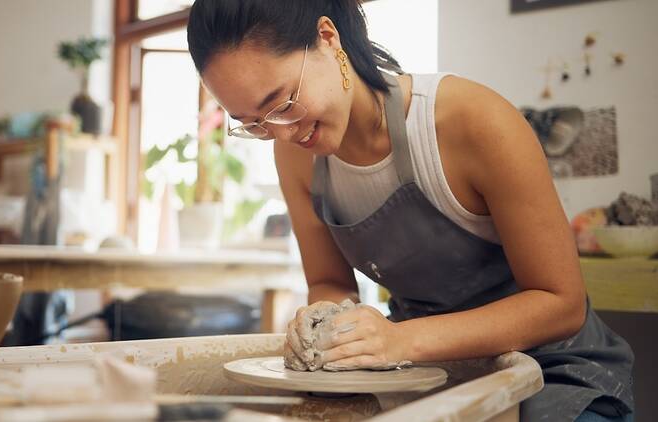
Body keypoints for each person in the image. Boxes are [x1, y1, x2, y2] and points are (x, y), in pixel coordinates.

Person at [186, 1, 634, 421]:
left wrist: (400, 339)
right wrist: (322, 326)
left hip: (558, 371)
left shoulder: (472, 121)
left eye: (280, 104)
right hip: (423, 372)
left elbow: (561, 303)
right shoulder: (296, 152)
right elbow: (329, 282)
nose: (279, 132)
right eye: (253, 124)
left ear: (327, 39)